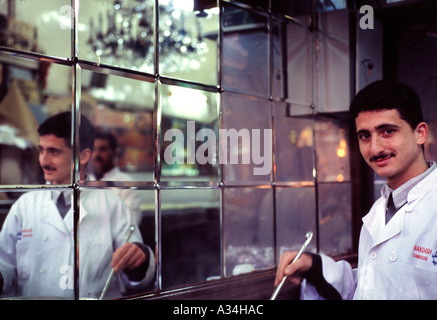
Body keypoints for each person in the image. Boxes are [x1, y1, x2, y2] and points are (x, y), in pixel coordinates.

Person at [274, 79, 437, 300]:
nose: (376, 148)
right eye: (365, 136)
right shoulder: (381, 210)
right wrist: (313, 266)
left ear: (420, 133)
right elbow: (372, 285)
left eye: (388, 131)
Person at [0, 112, 155, 299]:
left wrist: (139, 261)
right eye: (41, 150)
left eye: (54, 152)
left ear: (83, 156)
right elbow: (4, 265)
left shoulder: (112, 205)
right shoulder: (25, 206)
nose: (43, 161)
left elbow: (137, 277)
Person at [88, 131, 142, 224]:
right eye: (94, 149)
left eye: (103, 149)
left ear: (114, 152)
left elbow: (133, 222)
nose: (97, 154)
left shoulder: (126, 183)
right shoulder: (86, 181)